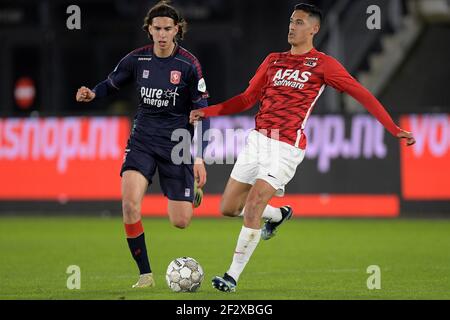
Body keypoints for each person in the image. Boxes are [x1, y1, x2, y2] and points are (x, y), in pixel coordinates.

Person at [190, 3, 416, 292]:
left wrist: (393, 128)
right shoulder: (273, 60)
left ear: (314, 28)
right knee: (228, 208)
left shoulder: (323, 64)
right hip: (257, 140)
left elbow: (361, 94)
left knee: (253, 207)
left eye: (298, 22)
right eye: (291, 21)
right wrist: (207, 112)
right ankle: (278, 214)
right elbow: (247, 99)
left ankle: (231, 277)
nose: (292, 27)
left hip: (285, 147)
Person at [76, 0, 210, 288]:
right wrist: (93, 94)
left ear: (177, 30)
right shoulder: (137, 60)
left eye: (167, 29)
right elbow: (111, 84)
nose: (162, 34)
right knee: (129, 206)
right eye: (157, 28)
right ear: (149, 30)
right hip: (143, 139)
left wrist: (199, 158)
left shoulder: (188, 65)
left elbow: (202, 113)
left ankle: (192, 194)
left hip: (177, 143)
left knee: (181, 221)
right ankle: (145, 274)